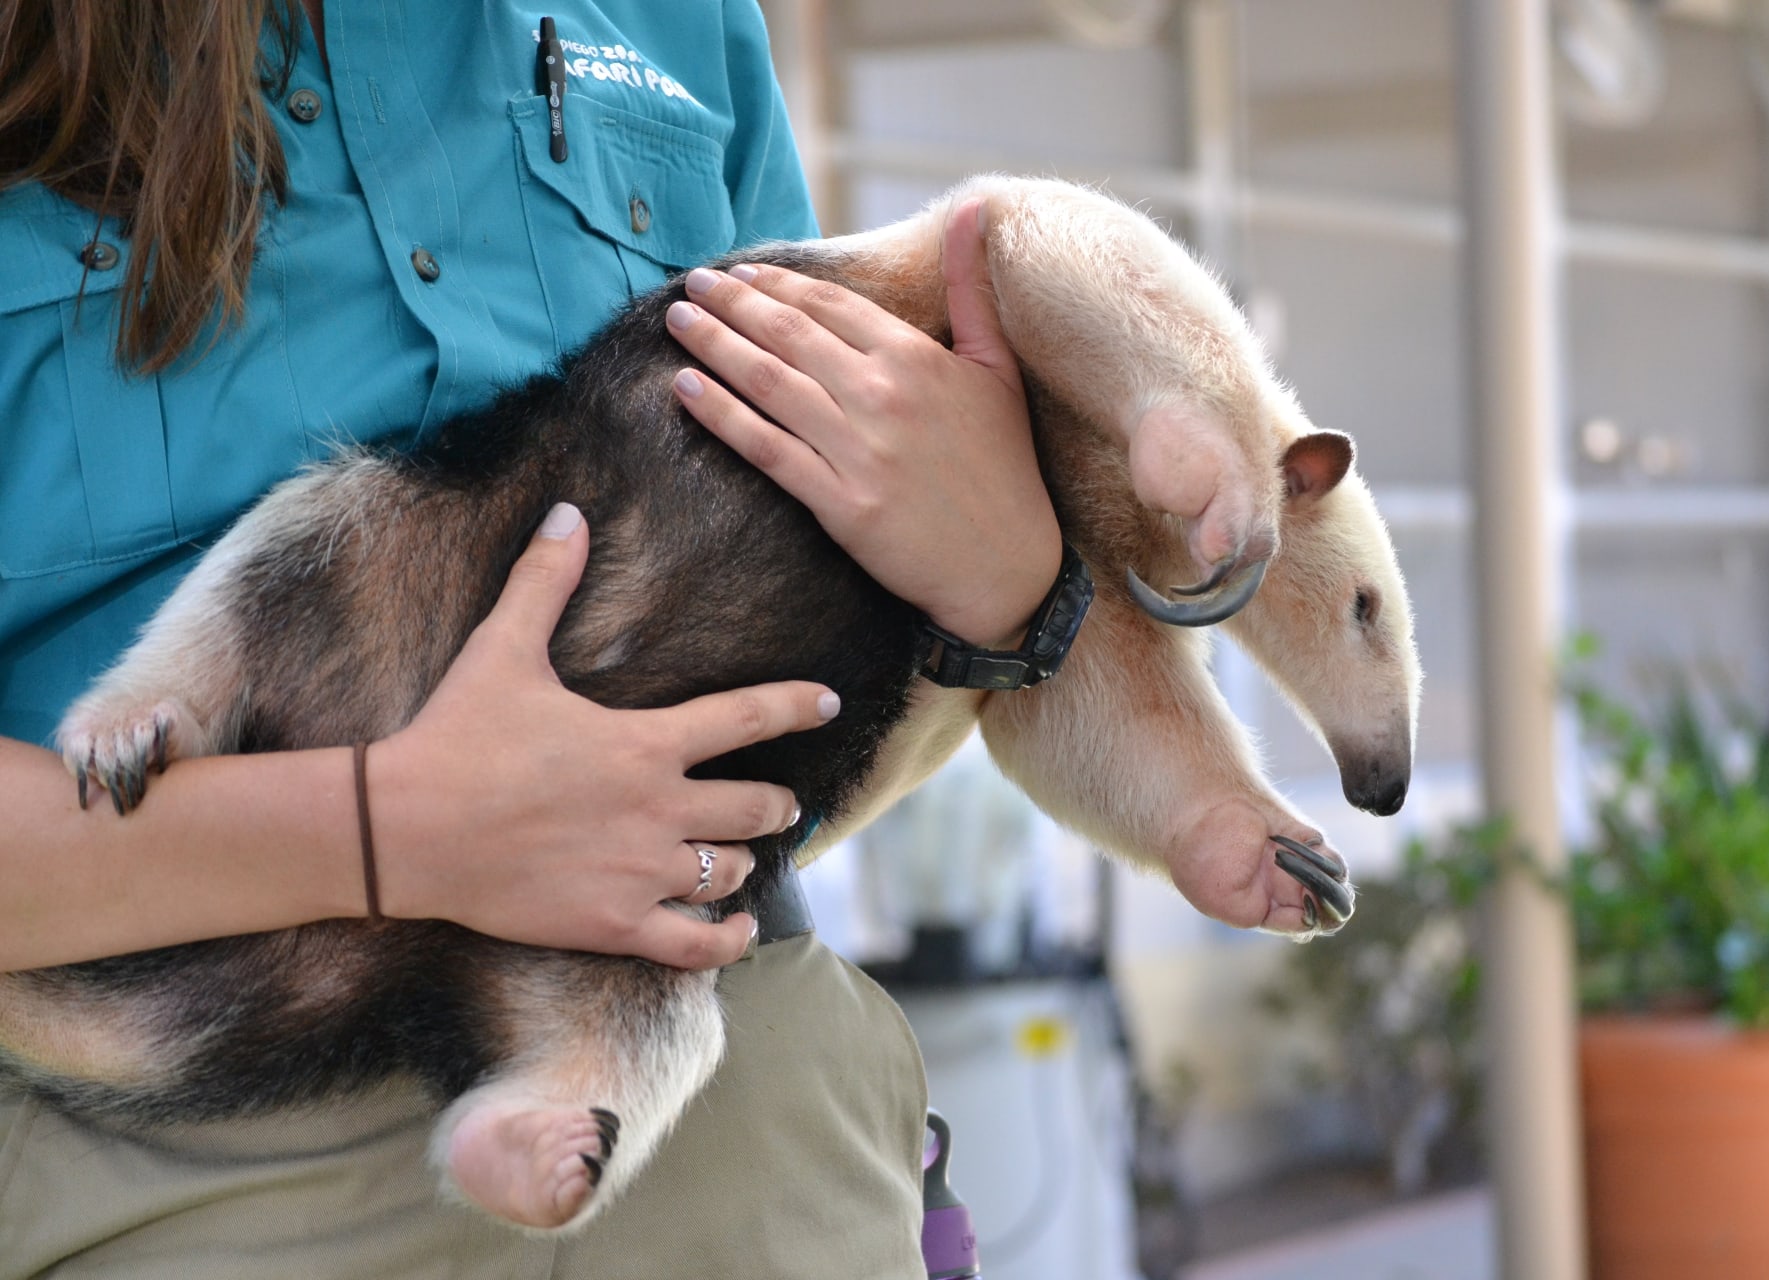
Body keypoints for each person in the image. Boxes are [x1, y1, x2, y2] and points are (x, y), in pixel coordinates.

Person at [0, 0, 1060, 1274]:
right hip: (206, 1152)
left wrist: (1006, 597)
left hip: (741, 1111)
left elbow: (823, 725)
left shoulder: (682, 23)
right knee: (318, 529)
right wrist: (390, 830)